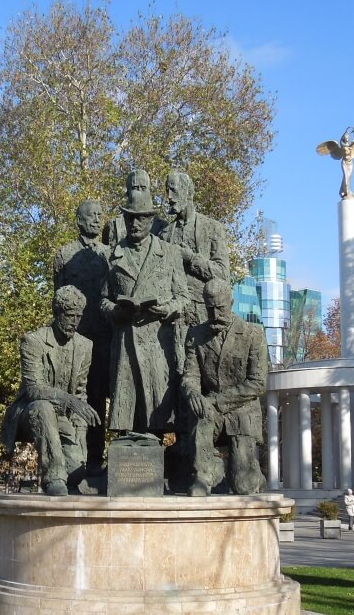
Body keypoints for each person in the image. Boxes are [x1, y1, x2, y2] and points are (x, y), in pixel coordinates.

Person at [100, 169, 186, 436]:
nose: (135, 223)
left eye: (140, 218)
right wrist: (114, 311)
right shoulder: (113, 255)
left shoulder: (169, 253)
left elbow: (183, 298)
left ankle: (154, 439)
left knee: (154, 417)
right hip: (125, 341)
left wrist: (166, 309)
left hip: (156, 343)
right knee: (125, 420)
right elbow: (103, 299)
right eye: (130, 218)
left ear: (150, 220)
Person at [0, 285, 99, 496]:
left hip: (63, 417)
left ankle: (66, 474)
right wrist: (69, 400)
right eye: (69, 315)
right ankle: (53, 476)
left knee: (76, 473)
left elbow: (80, 393)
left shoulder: (85, 345)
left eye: (78, 316)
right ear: (56, 312)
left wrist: (80, 428)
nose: (74, 322)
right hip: (30, 413)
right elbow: (33, 389)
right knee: (43, 407)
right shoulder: (33, 341)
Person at [182, 279, 269, 495]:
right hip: (210, 409)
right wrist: (192, 393)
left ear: (231, 302)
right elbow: (190, 375)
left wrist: (215, 401)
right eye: (209, 308)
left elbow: (257, 383)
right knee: (200, 415)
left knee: (243, 487)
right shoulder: (195, 335)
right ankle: (203, 475)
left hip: (242, 411)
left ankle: (252, 475)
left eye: (220, 308)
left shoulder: (253, 334)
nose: (215, 314)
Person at [54, 200, 112, 471]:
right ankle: (78, 462)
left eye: (100, 215)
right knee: (78, 398)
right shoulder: (64, 255)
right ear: (79, 220)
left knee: (105, 396)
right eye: (92, 216)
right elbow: (57, 301)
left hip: (106, 338)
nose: (98, 220)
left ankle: (102, 461)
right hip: (75, 339)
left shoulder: (111, 255)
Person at [159, 170, 231, 330]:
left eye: (173, 190)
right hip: (173, 317)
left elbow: (223, 275)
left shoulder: (212, 228)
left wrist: (192, 258)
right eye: (167, 191)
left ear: (188, 192)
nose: (169, 197)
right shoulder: (164, 234)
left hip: (204, 314)